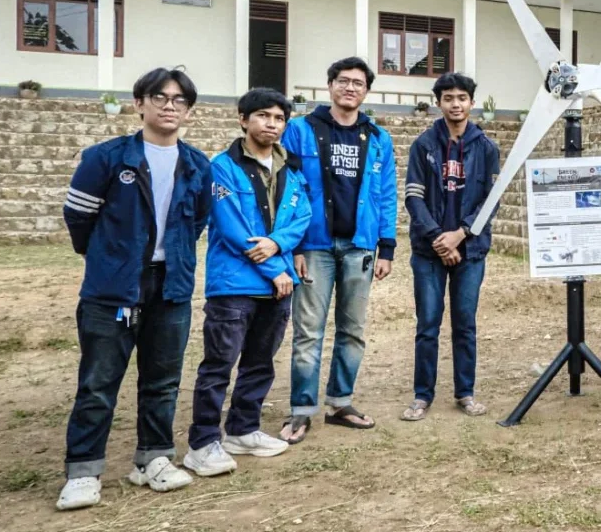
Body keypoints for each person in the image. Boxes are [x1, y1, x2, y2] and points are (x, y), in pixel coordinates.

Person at [57, 68, 212, 511]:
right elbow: (79, 217)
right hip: (115, 288)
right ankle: (84, 470)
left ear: (188, 110)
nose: (169, 106)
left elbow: (197, 221)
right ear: (139, 103)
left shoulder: (197, 164)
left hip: (171, 285)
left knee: (163, 380)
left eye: (179, 100)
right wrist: (111, 257)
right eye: (159, 97)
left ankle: (154, 458)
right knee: (99, 381)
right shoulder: (105, 158)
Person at [184, 89, 311, 476]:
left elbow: (301, 216)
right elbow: (231, 224)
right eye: (262, 116)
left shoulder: (291, 168)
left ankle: (244, 429)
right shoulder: (221, 166)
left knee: (259, 363)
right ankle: (203, 442)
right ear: (243, 119)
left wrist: (278, 243)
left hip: (278, 286)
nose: (271, 124)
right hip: (236, 285)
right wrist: (276, 268)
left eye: (278, 118)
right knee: (218, 365)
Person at [278, 57, 397, 444]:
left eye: (358, 83)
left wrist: (387, 248)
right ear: (329, 85)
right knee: (308, 331)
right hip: (314, 246)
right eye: (343, 81)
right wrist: (291, 245)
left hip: (359, 246)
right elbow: (287, 188)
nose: (350, 88)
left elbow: (386, 195)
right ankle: (301, 410)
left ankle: (340, 402)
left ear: (366, 91)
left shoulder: (378, 139)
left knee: (353, 330)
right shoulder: (300, 130)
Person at [401, 72, 500, 421]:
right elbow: (413, 197)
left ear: (471, 102)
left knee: (464, 323)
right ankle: (422, 395)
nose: (455, 104)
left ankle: (465, 392)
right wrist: (438, 239)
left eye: (461, 98)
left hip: (470, 251)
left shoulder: (486, 148)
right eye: (448, 98)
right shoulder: (423, 145)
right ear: (439, 102)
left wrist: (460, 234)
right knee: (427, 323)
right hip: (429, 252)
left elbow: (491, 201)